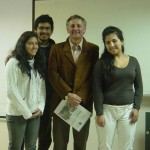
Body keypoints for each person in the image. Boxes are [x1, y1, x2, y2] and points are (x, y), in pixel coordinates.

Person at [48, 14, 99, 150]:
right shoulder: (56, 49)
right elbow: (53, 74)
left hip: (83, 103)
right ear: (67, 29)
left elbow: (93, 76)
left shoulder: (94, 49)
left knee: (80, 145)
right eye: (72, 26)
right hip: (61, 103)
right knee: (59, 144)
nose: (75, 28)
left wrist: (79, 97)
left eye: (79, 26)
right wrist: (68, 94)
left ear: (84, 29)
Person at [93, 26, 143, 150]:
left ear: (122, 41)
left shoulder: (133, 61)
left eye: (114, 40)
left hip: (128, 111)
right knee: (104, 146)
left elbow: (139, 87)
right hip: (106, 111)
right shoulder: (101, 63)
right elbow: (96, 89)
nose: (111, 45)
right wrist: (99, 113)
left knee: (126, 147)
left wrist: (136, 108)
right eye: (107, 42)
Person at [5, 31, 46, 150]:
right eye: (30, 43)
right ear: (23, 45)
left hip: (35, 113)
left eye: (36, 43)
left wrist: (41, 107)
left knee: (32, 146)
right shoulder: (13, 63)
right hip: (17, 114)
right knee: (16, 147)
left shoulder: (37, 63)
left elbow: (41, 88)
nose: (34, 46)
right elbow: (11, 92)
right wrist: (27, 112)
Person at [34, 14, 55, 150]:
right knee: (27, 133)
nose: (44, 31)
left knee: (45, 134)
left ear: (51, 30)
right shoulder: (28, 46)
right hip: (29, 97)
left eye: (47, 28)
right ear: (35, 29)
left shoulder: (56, 48)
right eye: (41, 28)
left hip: (48, 97)